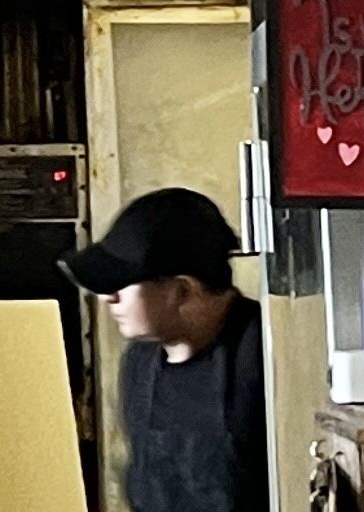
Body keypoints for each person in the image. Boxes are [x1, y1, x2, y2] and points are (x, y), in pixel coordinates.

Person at [66, 188, 264, 512]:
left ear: (182, 290)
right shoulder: (138, 365)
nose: (107, 298)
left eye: (123, 283)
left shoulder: (263, 354)